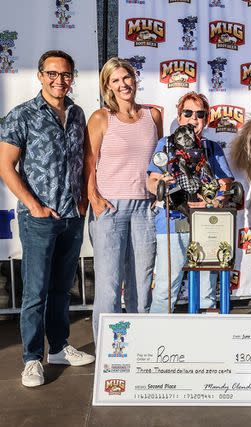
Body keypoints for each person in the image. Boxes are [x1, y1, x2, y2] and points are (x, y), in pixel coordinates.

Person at [0, 50, 95, 388]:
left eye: (66, 74)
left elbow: (83, 158)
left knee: (60, 288)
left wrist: (83, 199)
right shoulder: (22, 115)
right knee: (35, 292)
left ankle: (58, 347)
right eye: (53, 73)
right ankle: (30, 359)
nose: (60, 80)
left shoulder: (77, 112)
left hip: (71, 215)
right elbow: (5, 166)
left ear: (72, 77)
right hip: (38, 218)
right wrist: (34, 205)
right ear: (40, 75)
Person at [85, 58, 162, 339]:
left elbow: (159, 162)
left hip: (144, 207)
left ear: (135, 78)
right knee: (109, 283)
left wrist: (156, 193)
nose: (123, 84)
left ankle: (139, 345)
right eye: (115, 80)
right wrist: (93, 197)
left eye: (127, 77)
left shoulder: (152, 116)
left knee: (141, 282)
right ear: (108, 86)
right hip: (111, 208)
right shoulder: (101, 118)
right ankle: (108, 349)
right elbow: (89, 161)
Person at [147, 92, 233, 313]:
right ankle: (157, 342)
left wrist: (208, 197)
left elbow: (225, 184)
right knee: (166, 289)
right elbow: (151, 180)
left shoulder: (212, 148)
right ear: (179, 116)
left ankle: (205, 343)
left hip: (206, 223)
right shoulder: (165, 145)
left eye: (200, 114)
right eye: (188, 113)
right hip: (173, 223)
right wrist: (162, 186)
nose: (194, 119)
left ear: (206, 119)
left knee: (206, 292)